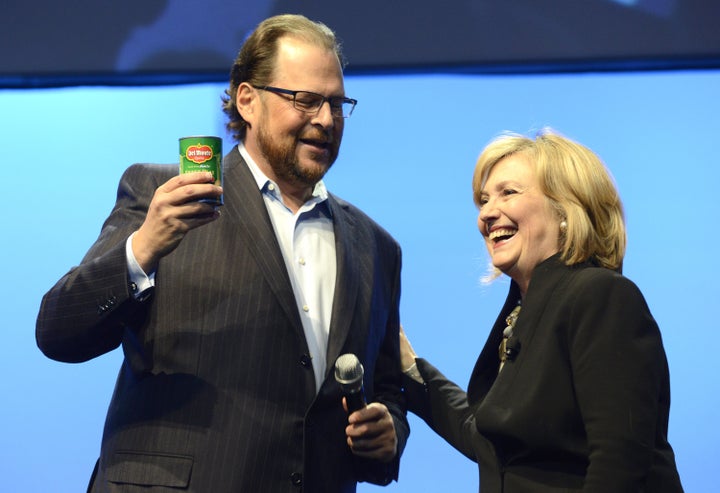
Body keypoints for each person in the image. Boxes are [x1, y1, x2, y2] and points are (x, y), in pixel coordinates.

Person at [36, 14, 408, 493]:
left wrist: (388, 432)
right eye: (306, 100)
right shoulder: (161, 194)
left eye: (337, 104)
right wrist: (144, 247)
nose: (325, 119)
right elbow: (59, 332)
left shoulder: (376, 247)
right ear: (248, 100)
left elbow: (386, 388)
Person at [399, 129, 684, 492]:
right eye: (483, 200)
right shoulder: (523, 314)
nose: (487, 213)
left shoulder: (602, 297)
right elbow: (490, 442)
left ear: (565, 208)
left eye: (508, 193)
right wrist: (409, 368)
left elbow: (619, 462)